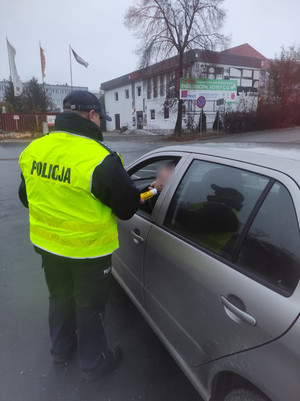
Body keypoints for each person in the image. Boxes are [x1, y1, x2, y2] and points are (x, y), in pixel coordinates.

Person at [18, 90, 140, 381]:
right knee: (90, 307)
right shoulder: (101, 158)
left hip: (49, 247)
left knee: (59, 297)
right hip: (89, 253)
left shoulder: (34, 150)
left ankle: (60, 350)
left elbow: (26, 198)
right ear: (93, 116)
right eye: (101, 119)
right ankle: (93, 363)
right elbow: (127, 208)